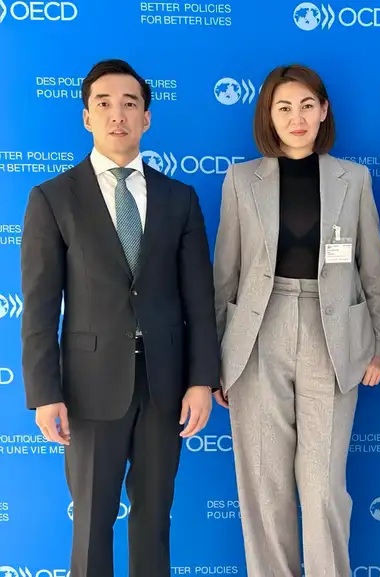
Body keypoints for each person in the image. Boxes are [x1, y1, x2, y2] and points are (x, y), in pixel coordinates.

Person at [20, 59, 220, 577]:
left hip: (165, 386)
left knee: (154, 521)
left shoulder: (180, 198)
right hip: (88, 388)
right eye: (104, 104)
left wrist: (202, 380)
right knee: (91, 521)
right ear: (87, 117)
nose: (118, 115)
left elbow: (199, 300)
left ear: (146, 118)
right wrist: (44, 392)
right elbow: (39, 306)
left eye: (130, 104)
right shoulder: (52, 198)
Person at [212, 64, 380, 577]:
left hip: (332, 335)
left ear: (324, 111)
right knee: (263, 485)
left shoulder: (353, 178)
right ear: (268, 115)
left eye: (307, 106)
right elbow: (224, 276)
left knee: (323, 486)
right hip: (255, 336)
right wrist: (215, 360)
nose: (297, 117)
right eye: (284, 107)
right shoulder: (240, 179)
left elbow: (373, 268)